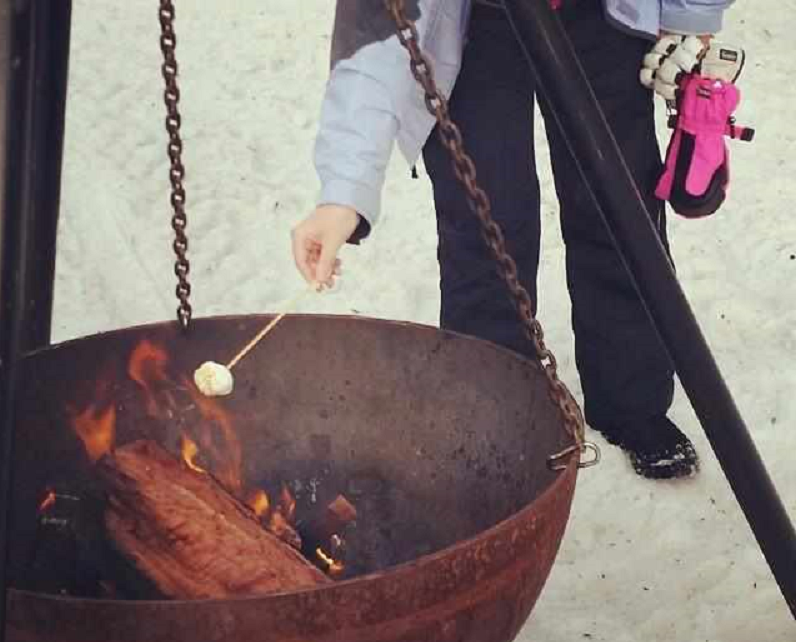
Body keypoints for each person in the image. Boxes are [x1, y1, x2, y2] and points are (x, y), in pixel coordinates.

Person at [290, 0, 736, 479]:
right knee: (485, 220)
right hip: (472, 22)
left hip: (602, 18)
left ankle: (633, 402)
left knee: (616, 207)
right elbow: (375, 32)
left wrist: (693, 15)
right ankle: (493, 410)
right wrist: (344, 193)